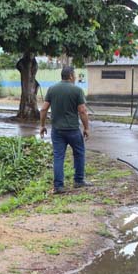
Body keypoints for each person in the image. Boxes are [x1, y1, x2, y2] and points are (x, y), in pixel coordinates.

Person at [40, 66, 90, 194]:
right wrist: (86, 128)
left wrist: (42, 125)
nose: (75, 77)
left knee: (58, 157)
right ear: (71, 76)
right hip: (73, 130)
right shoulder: (77, 90)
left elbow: (44, 109)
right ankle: (78, 180)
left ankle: (58, 186)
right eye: (75, 75)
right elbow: (82, 111)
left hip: (57, 130)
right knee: (79, 154)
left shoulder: (52, 89)